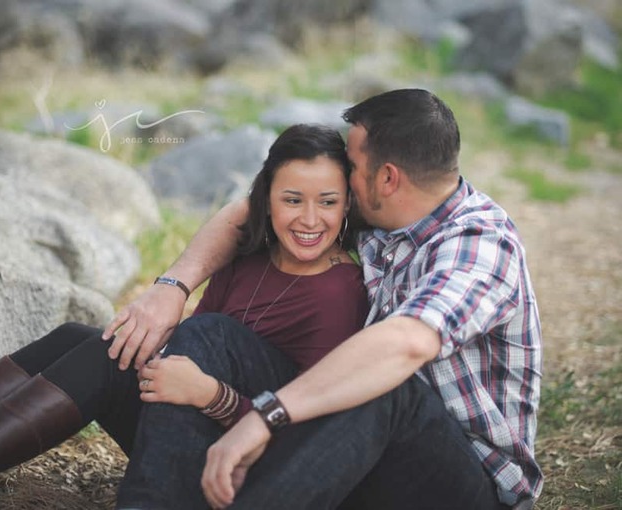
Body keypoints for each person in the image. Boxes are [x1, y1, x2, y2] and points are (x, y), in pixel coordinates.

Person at [0, 124, 368, 510]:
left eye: (327, 202)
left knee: (105, 355)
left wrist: (211, 395)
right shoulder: (250, 254)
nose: (309, 219)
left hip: (241, 469)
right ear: (265, 200)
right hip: (187, 426)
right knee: (81, 336)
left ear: (347, 206)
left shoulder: (337, 292)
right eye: (292, 199)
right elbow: (198, 342)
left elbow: (312, 436)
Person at [109, 89, 543, 510]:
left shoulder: (479, 243)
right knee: (212, 334)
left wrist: (265, 416)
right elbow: (250, 211)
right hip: (363, 450)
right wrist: (174, 288)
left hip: (464, 481)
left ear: (387, 178)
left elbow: (408, 343)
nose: (343, 175)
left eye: (351, 165)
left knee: (387, 387)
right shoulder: (383, 217)